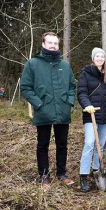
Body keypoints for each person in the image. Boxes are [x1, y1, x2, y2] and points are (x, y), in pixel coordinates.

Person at [20, 32, 76, 191]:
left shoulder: (65, 65)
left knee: (62, 144)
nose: (53, 46)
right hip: (43, 111)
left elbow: (72, 86)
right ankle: (44, 175)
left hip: (63, 112)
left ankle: (62, 173)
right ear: (43, 44)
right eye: (50, 43)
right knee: (43, 144)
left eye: (55, 43)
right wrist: (39, 104)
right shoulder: (32, 64)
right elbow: (25, 87)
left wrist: (69, 102)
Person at [77, 47, 106, 192]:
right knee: (89, 143)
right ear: (93, 58)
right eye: (97, 56)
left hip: (105, 116)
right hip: (91, 115)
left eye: (102, 56)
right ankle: (83, 176)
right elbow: (81, 92)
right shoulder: (85, 74)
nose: (100, 59)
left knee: (100, 145)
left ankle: (96, 171)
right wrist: (87, 105)